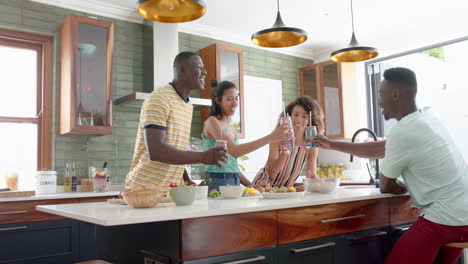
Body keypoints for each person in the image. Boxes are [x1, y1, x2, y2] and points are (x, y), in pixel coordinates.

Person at [314, 67, 468, 264]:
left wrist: (405, 187)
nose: (378, 101)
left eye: (380, 94)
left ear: (395, 94)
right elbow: (382, 148)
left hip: (446, 220)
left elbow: (386, 185)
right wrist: (332, 144)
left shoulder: (402, 131)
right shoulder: (427, 118)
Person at [125, 51, 227, 191]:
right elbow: (156, 151)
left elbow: (175, 148)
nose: (205, 72)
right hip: (144, 189)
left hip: (170, 191)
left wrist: (185, 178)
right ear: (182, 70)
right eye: (198, 67)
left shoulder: (187, 105)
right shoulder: (160, 98)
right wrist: (203, 156)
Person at [202, 80, 289, 191]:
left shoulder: (231, 127)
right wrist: (271, 137)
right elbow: (234, 151)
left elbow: (232, 167)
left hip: (234, 180)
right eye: (229, 99)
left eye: (236, 98)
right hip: (216, 181)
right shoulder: (212, 122)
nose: (235, 103)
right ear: (218, 100)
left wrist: (252, 186)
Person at [252, 96, 325, 188]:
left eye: (304, 116)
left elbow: (311, 175)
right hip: (263, 186)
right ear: (289, 117)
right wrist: (284, 154)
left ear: (310, 121)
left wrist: (313, 182)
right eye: (296, 115)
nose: (299, 119)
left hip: (285, 191)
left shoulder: (310, 145)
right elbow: (271, 173)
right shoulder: (277, 138)